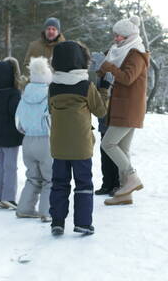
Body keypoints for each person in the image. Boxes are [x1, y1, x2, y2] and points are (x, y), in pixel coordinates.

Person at [47, 41, 111, 236]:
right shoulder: (86, 86)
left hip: (58, 146)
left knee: (59, 183)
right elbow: (100, 111)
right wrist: (104, 90)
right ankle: (83, 223)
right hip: (81, 146)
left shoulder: (53, 87)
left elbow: (50, 110)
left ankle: (57, 222)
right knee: (83, 184)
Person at [91, 15, 150, 206]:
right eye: (115, 35)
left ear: (129, 36)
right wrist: (100, 67)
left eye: (119, 36)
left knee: (108, 144)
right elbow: (111, 73)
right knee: (123, 149)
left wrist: (105, 65)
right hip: (122, 106)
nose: (115, 39)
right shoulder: (119, 51)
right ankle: (125, 193)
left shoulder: (136, 53)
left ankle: (132, 178)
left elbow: (127, 78)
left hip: (129, 108)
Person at [15, 57, 53, 223]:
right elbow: (52, 118)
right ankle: (46, 211)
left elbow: (18, 120)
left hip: (28, 140)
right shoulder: (48, 94)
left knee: (32, 177)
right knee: (49, 178)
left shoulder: (25, 94)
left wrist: (26, 130)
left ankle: (24, 208)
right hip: (45, 140)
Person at [0, 57, 25, 210]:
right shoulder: (13, 93)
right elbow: (15, 111)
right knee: (10, 166)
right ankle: (8, 197)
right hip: (11, 136)